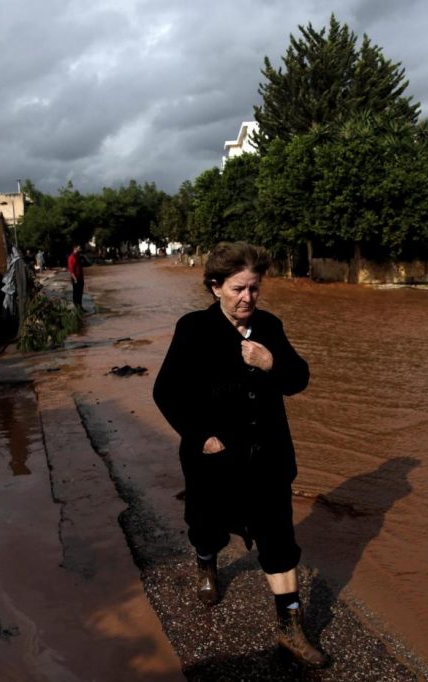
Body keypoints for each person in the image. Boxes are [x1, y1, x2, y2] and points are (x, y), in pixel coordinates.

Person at [152, 241, 329, 668]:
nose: (248, 297)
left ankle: (290, 629)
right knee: (206, 525)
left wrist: (272, 363)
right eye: (238, 289)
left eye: (254, 288)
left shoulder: (270, 326)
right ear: (216, 288)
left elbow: (298, 379)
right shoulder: (192, 329)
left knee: (279, 542)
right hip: (212, 460)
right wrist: (200, 436)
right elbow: (165, 392)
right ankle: (206, 563)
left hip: (267, 457)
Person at [67, 244, 85, 311]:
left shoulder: (78, 256)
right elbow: (71, 270)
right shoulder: (71, 257)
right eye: (79, 248)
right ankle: (76, 308)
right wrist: (75, 279)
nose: (80, 249)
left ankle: (80, 307)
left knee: (80, 293)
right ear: (75, 248)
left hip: (80, 278)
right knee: (76, 293)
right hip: (76, 278)